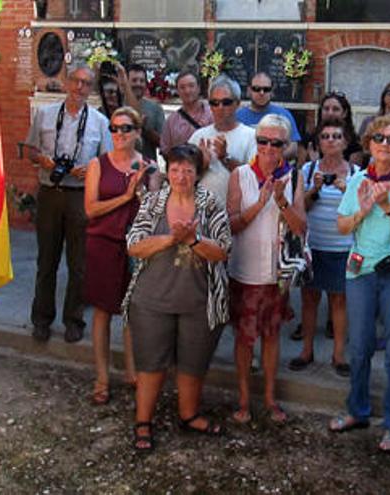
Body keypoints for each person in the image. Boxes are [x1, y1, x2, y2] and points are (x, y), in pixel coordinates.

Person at [123, 144, 232, 451]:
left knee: (192, 365)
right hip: (151, 301)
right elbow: (134, 245)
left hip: (200, 303)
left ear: (197, 174)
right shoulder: (153, 202)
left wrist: (193, 240)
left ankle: (189, 415)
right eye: (174, 169)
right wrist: (171, 238)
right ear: (167, 172)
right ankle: (143, 422)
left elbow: (223, 250)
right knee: (150, 365)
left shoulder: (211, 204)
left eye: (188, 170)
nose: (181, 176)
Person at [328, 115, 390, 452]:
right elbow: (342, 226)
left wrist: (386, 206)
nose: (385, 144)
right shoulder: (358, 182)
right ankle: (358, 410)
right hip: (360, 271)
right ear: (369, 143)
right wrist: (363, 211)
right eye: (379, 137)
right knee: (360, 345)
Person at [226, 114, 306, 424]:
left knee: (272, 337)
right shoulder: (241, 175)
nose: (269, 148)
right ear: (255, 142)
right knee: (244, 339)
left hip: (278, 273)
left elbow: (301, 228)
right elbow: (231, 224)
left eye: (277, 143)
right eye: (263, 141)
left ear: (286, 146)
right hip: (245, 270)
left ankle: (271, 397)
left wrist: (282, 202)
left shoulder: (294, 178)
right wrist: (260, 204)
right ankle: (244, 397)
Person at [25, 66, 112, 343]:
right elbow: (29, 150)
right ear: (66, 82)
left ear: (91, 89)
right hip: (50, 191)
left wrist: (91, 170)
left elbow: (106, 163)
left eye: (86, 84)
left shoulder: (99, 121)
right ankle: (41, 319)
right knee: (46, 261)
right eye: (75, 81)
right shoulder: (45, 114)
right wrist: (43, 161)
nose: (79, 87)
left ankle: (74, 320)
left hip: (80, 196)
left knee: (79, 263)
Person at [83, 107, 156, 404]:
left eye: (126, 128)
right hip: (103, 243)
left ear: (137, 132)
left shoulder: (149, 166)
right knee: (102, 312)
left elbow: (154, 209)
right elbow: (90, 209)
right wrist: (125, 197)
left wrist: (142, 196)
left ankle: (131, 370)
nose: (119, 134)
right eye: (114, 128)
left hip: (135, 247)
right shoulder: (98, 164)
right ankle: (101, 377)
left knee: (131, 312)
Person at [288, 118, 354, 377]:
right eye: (325, 136)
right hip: (313, 245)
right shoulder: (307, 170)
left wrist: (345, 188)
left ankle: (338, 355)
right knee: (309, 299)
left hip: (342, 246)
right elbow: (299, 207)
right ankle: (306, 350)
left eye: (336, 136)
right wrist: (314, 189)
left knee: (339, 300)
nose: (330, 141)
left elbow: (360, 210)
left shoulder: (357, 172)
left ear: (345, 142)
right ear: (318, 142)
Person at [189, 75, 257, 207]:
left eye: (226, 102)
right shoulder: (198, 136)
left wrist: (225, 158)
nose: (220, 107)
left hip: (237, 215)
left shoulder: (251, 136)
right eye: (214, 103)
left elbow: (254, 178)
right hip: (202, 214)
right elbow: (183, 178)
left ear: (237, 104)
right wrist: (201, 165)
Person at [236, 72, 302, 159]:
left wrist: (271, 160)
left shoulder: (284, 115)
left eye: (266, 89)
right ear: (249, 90)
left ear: (272, 91)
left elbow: (293, 147)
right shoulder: (237, 117)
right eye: (256, 89)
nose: (261, 93)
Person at [298, 91, 363, 176]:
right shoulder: (308, 139)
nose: (330, 113)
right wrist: (314, 164)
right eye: (326, 109)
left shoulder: (354, 141)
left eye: (335, 109)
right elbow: (300, 172)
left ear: (345, 113)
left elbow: (354, 176)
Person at [160, 70, 213, 151]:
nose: (187, 91)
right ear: (177, 91)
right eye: (182, 87)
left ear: (198, 88)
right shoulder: (171, 121)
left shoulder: (212, 114)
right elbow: (165, 149)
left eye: (191, 86)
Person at [127, 63, 165, 162]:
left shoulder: (155, 108)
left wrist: (146, 129)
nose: (138, 84)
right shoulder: (118, 105)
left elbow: (163, 143)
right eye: (134, 80)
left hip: (147, 166)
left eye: (142, 81)